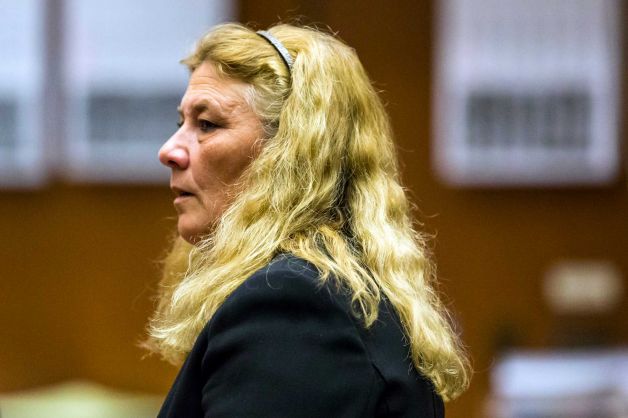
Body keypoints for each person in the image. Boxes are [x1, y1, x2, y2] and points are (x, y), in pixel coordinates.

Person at [147, 22, 471, 417]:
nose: (170, 151)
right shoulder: (333, 288)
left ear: (288, 153)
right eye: (180, 123)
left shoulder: (292, 304)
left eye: (207, 124)